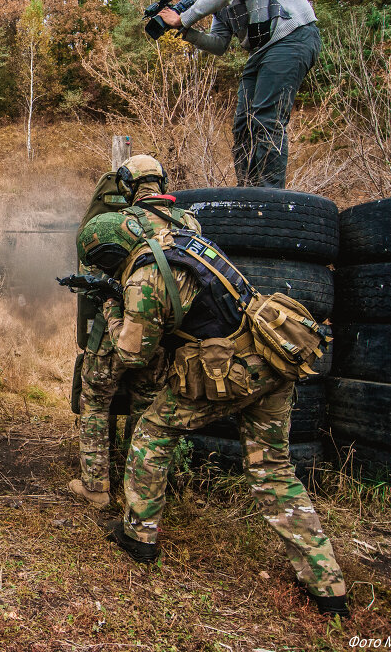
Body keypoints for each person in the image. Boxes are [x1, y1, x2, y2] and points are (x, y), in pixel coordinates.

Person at [76, 211, 349, 617]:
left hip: (235, 369)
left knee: (151, 435)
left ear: (112, 255)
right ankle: (327, 584)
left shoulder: (143, 279)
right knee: (273, 469)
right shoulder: (180, 241)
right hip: (275, 354)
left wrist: (113, 304)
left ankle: (138, 536)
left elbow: (133, 355)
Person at [68, 155, 201, 508]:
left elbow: (92, 264)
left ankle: (95, 488)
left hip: (118, 330)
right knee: (146, 410)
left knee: (95, 400)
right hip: (161, 336)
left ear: (127, 185)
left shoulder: (120, 223)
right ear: (163, 183)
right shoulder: (190, 223)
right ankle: (136, 492)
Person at [157, 0, 320, 189]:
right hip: (262, 52)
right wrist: (188, 34)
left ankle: (269, 195)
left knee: (267, 118)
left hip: (293, 36)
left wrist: (182, 18)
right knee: (243, 125)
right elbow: (219, 44)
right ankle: (247, 190)